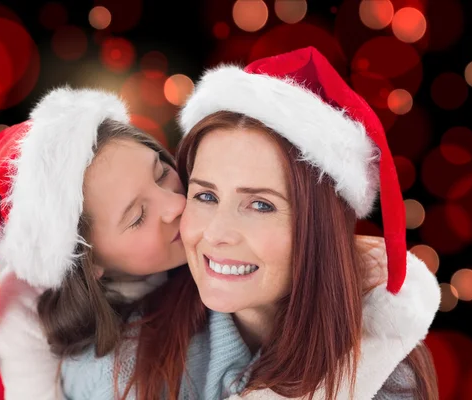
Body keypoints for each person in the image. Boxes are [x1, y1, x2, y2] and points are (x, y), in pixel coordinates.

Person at [61, 47, 440, 399]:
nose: (215, 233)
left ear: (319, 227)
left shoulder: (389, 382)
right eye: (206, 196)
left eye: (260, 205)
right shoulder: (118, 370)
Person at [0, 87, 187, 399]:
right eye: (138, 216)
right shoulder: (24, 306)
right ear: (89, 260)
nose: (176, 205)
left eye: (162, 173)